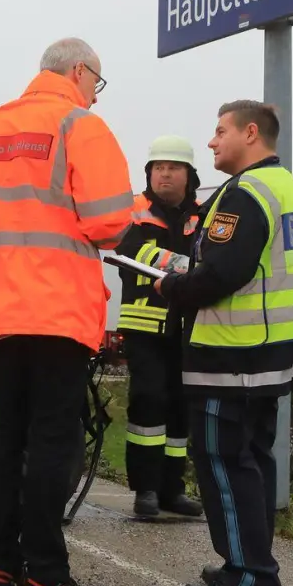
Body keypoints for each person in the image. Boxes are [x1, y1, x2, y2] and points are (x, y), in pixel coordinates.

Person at [0, 37, 135, 586]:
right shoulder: (79, 125)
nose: (95, 96)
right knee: (54, 443)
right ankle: (48, 580)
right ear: (79, 71)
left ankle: (4, 570)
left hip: (2, 311)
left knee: (6, 438)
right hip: (57, 311)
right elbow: (110, 221)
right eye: (97, 83)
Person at [154, 100, 293, 586]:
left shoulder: (244, 193)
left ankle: (250, 576)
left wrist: (172, 287)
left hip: (233, 353)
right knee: (255, 460)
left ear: (251, 133)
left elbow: (222, 273)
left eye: (220, 131)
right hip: (274, 351)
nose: (211, 142)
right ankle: (248, 560)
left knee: (224, 460)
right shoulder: (289, 187)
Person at [114, 135, 205, 519]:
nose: (164, 173)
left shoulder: (204, 213)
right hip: (144, 326)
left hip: (187, 326)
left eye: (173, 167)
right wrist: (188, 267)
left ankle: (172, 489)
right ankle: (145, 490)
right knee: (148, 402)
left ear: (189, 174)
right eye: (158, 167)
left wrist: (198, 267)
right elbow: (131, 251)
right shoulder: (134, 209)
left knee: (180, 408)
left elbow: (214, 255)